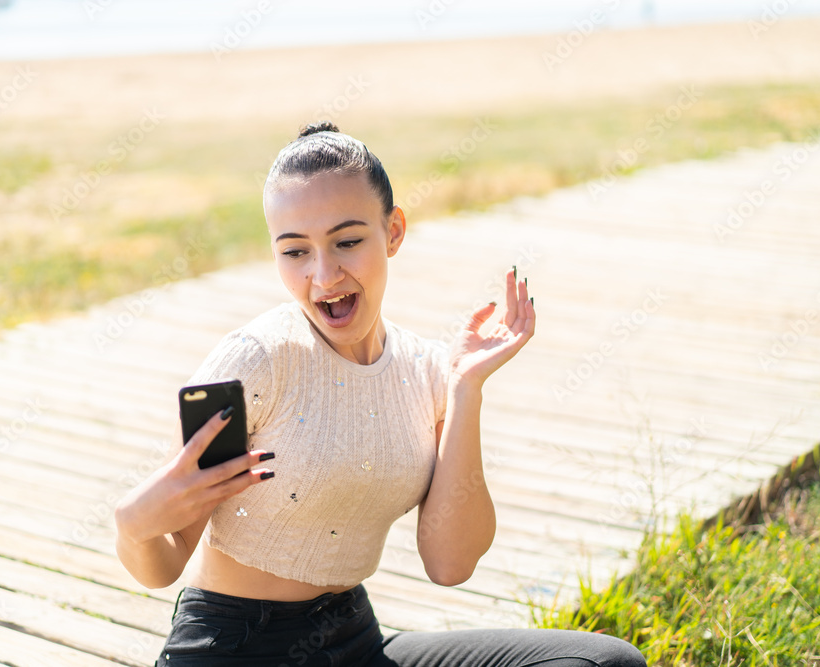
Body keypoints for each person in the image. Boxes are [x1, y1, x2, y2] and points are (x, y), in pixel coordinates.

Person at [114, 122, 647, 667]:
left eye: (347, 242)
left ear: (393, 231)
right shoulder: (253, 360)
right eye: (295, 252)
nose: (324, 275)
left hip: (354, 642)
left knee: (605, 663)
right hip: (232, 648)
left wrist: (465, 387)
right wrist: (132, 525)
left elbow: (450, 564)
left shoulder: (427, 371)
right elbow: (165, 562)